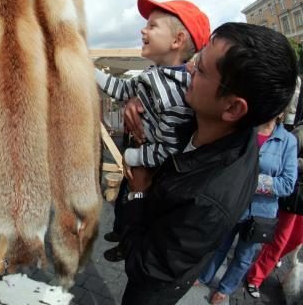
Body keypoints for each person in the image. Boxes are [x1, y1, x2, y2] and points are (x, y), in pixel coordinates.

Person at [119, 22, 297, 305]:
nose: (188, 70)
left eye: (201, 70)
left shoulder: (207, 201)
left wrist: (138, 193)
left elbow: (146, 268)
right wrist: (137, 99)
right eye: (196, 60)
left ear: (233, 107)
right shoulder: (217, 121)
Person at [96, 0, 211, 261]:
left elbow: (170, 149)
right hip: (146, 158)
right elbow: (122, 89)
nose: (143, 30)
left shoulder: (176, 94)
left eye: (152, 26)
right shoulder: (155, 74)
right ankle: (125, 239)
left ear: (177, 41)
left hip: (158, 173)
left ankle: (130, 247)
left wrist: (134, 157)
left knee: (140, 215)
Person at [196, 116, 297, 304]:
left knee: (244, 255)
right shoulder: (245, 130)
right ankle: (204, 276)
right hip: (233, 202)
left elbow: (288, 184)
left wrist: (252, 181)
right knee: (218, 244)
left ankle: (225, 288)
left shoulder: (287, 141)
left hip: (262, 213)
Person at [246, 124, 303, 299]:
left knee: (296, 240)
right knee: (279, 240)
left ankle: (271, 258)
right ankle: (255, 277)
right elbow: (287, 160)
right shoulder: (300, 133)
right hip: (295, 197)